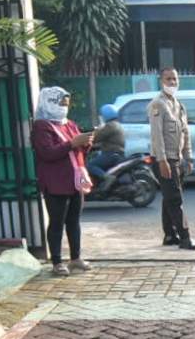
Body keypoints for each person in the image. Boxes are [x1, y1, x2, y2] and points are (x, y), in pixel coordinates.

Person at [31, 86, 92, 276]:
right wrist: (72, 143)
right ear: (49, 103)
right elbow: (47, 153)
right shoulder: (42, 126)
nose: (65, 107)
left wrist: (86, 143)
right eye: (61, 103)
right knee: (57, 222)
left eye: (66, 103)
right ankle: (57, 261)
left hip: (74, 180)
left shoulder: (69, 124)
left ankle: (75, 258)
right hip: (56, 182)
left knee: (74, 221)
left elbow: (78, 150)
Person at [148, 67, 195, 250]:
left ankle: (170, 235)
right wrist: (162, 161)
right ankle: (185, 238)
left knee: (169, 197)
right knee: (175, 198)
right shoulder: (158, 104)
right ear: (161, 81)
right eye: (168, 79)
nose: (172, 82)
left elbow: (186, 133)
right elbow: (157, 135)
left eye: (175, 79)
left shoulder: (179, 106)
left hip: (176, 159)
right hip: (165, 159)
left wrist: (189, 158)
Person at [87, 103, 126, 178]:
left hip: (110, 154)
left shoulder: (110, 126)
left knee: (90, 165)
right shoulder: (117, 125)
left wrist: (95, 132)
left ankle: (107, 178)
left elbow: (96, 138)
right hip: (118, 154)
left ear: (105, 115)